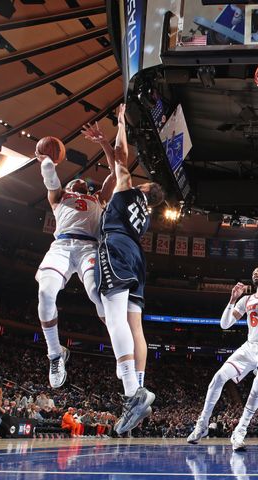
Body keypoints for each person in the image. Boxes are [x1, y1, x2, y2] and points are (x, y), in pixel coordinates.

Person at [95, 103, 163, 435]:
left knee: (114, 318)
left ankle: (132, 393)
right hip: (136, 255)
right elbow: (116, 166)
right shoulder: (145, 212)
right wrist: (105, 147)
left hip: (117, 246)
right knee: (134, 325)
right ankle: (138, 384)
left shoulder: (130, 192)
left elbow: (120, 161)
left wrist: (120, 124)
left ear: (147, 190)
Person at [35, 121, 117, 388]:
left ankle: (121, 350)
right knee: (46, 293)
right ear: (70, 186)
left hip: (88, 248)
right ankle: (55, 353)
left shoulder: (99, 199)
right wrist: (47, 161)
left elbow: (115, 171)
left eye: (84, 181)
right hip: (61, 247)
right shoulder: (59, 197)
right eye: (75, 180)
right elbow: (49, 177)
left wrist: (104, 142)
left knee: (97, 294)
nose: (80, 180)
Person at [187, 267, 258, 451]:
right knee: (218, 377)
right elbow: (225, 324)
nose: (255, 272)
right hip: (249, 347)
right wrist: (232, 299)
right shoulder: (246, 299)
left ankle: (240, 430)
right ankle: (202, 425)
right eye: (254, 271)